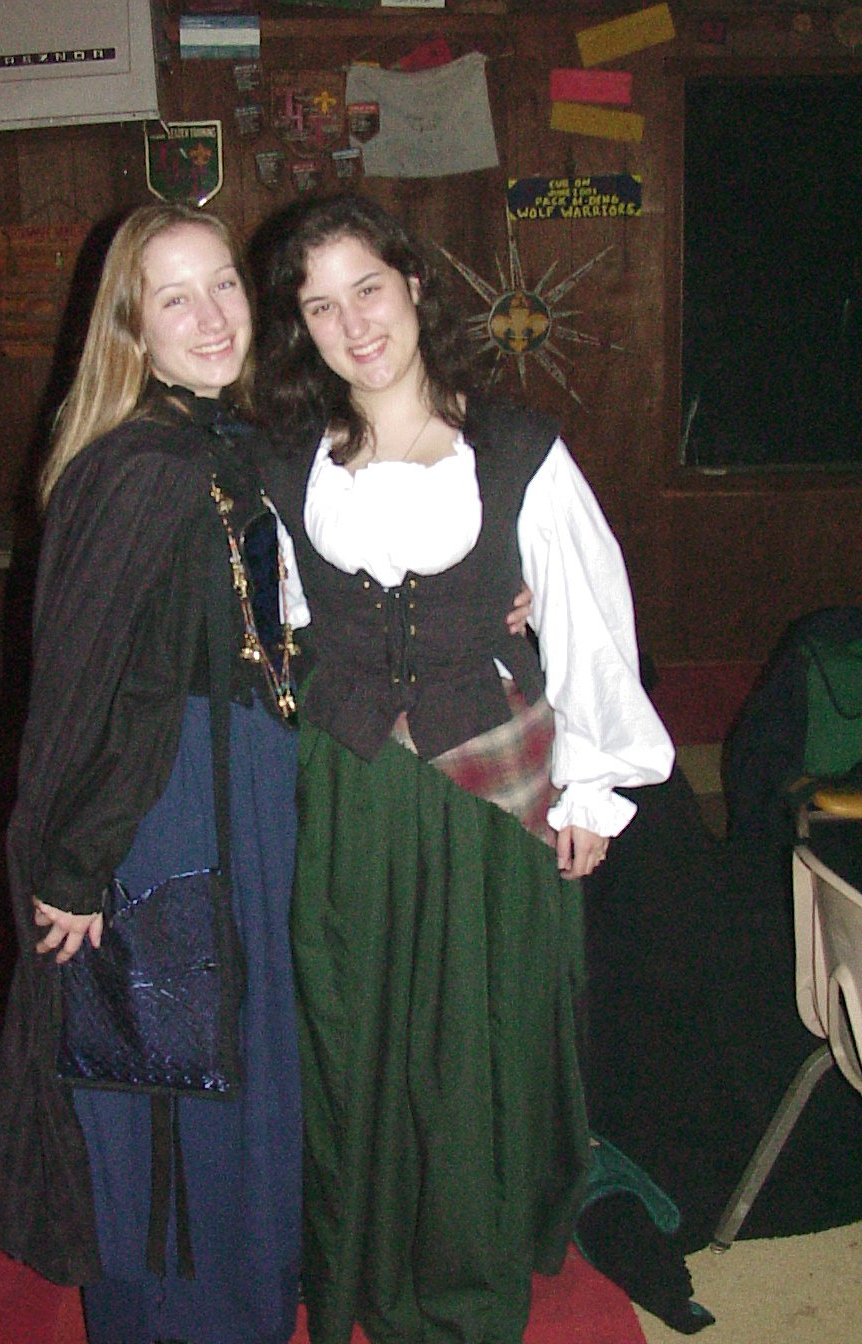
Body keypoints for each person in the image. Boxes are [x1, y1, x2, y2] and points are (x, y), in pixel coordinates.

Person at [253, 193, 675, 1344]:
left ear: (412, 286)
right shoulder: (288, 466)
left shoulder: (517, 449)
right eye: (320, 306)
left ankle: (467, 1271)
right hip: (349, 788)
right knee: (352, 1021)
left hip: (485, 789)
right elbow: (283, 618)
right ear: (301, 327)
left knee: (477, 1030)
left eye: (367, 290)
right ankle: (363, 1249)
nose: (353, 324)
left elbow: (588, 613)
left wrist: (593, 785)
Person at [0, 203, 302, 1344]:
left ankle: (241, 1297)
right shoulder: (138, 467)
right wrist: (78, 862)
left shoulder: (225, 440)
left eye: (224, 284)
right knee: (169, 1065)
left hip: (245, 788)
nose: (212, 316)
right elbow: (103, 693)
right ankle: (180, 1319)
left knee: (238, 1052)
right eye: (174, 298)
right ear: (132, 329)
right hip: (166, 806)